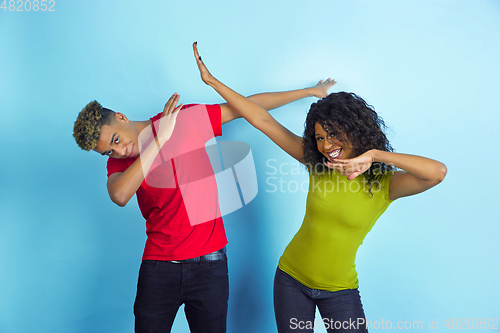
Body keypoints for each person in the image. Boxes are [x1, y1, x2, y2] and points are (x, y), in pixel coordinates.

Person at [193, 42, 447, 333]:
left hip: (339, 291)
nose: (326, 145)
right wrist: (213, 82)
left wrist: (375, 155)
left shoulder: (386, 184)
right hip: (291, 281)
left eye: (333, 135)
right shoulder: (318, 164)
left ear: (355, 130)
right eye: (319, 137)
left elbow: (437, 173)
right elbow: (262, 119)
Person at [72, 62, 335, 333]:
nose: (120, 150)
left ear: (121, 117)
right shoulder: (120, 164)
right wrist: (158, 141)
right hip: (160, 267)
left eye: (116, 140)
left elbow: (247, 106)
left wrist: (308, 91)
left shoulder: (182, 119)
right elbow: (120, 195)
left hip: (210, 266)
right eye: (108, 152)